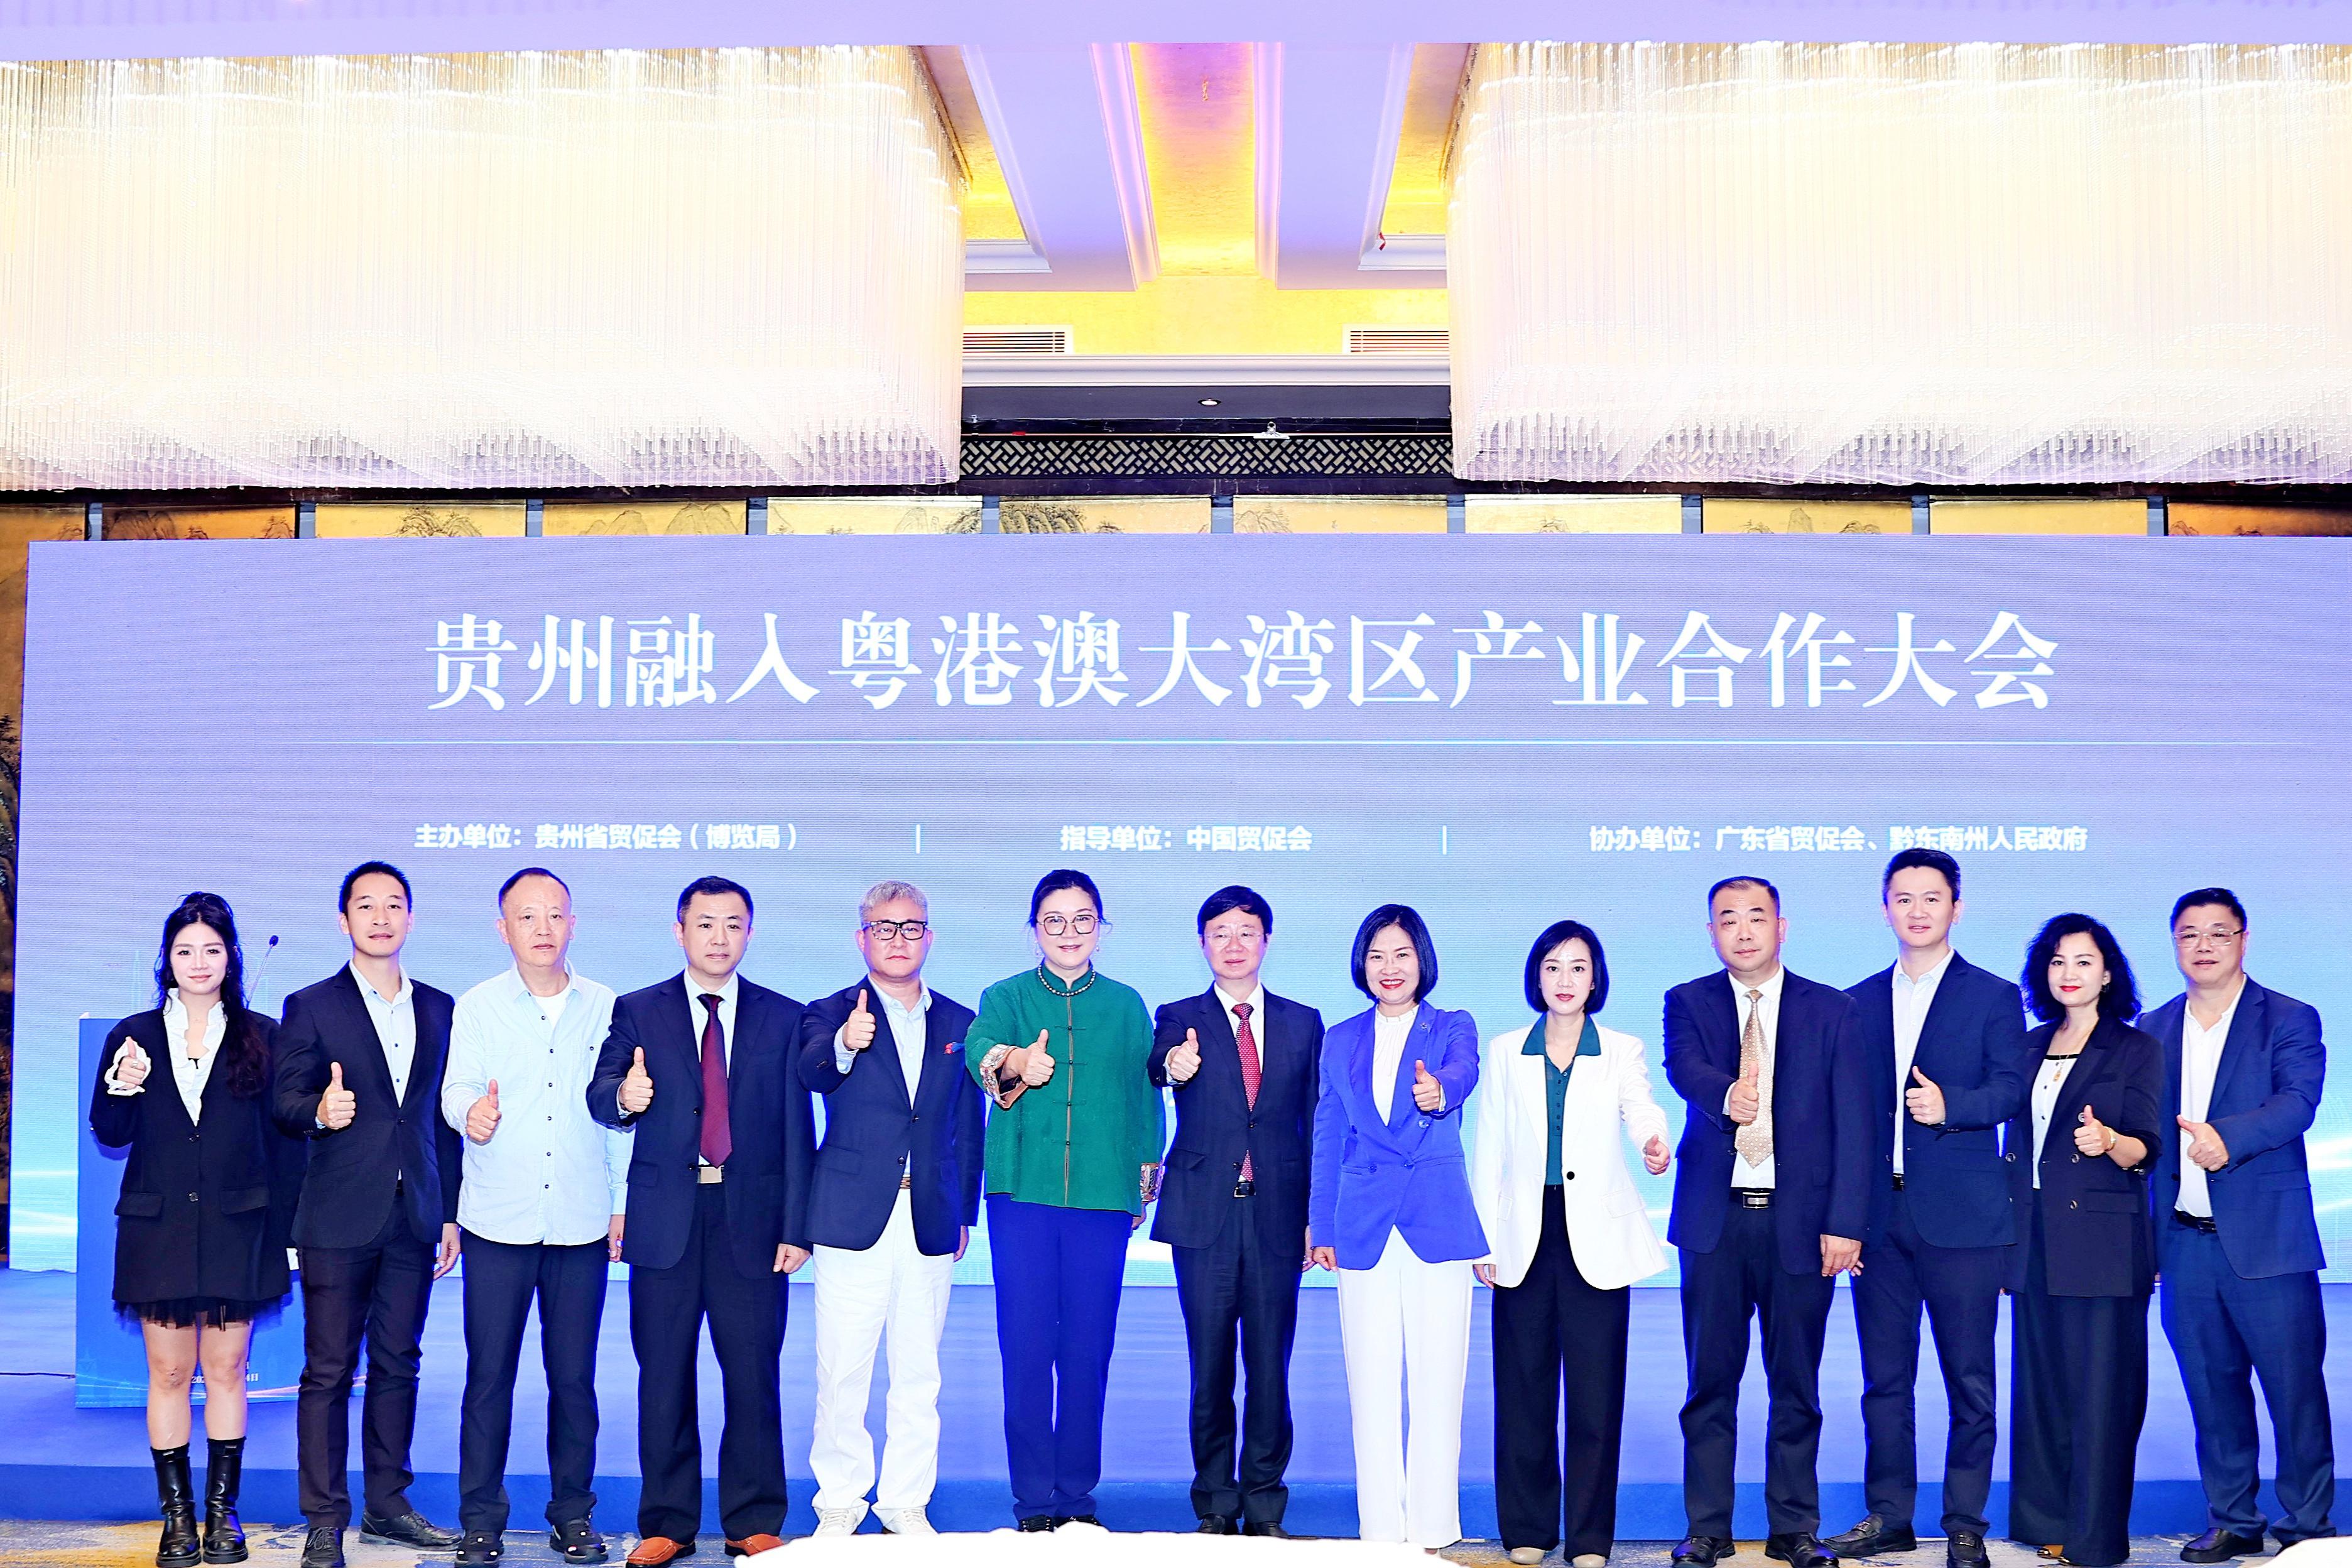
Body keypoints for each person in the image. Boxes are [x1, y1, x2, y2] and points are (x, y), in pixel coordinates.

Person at [587, 876, 812, 1565]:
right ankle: (667, 1522)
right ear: (680, 931)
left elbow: (797, 1129)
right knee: (663, 1375)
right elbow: (600, 1094)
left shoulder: (784, 1016)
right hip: (666, 1222)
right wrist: (624, 1095)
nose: (720, 938)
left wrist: (797, 1226)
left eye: (733, 925)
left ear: (750, 933)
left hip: (754, 1222)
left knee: (753, 1376)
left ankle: (754, 1518)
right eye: (705, 924)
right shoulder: (637, 1010)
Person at [1827, 851, 2031, 1568]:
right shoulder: (1853, 1002)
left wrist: (1953, 1108)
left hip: (1965, 1220)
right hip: (1879, 1221)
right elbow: (1845, 1117)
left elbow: (2011, 1089)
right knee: (1885, 1382)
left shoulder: (1994, 995)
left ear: (1957, 908)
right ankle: (1889, 1516)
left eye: (1932, 898)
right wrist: (1844, 1219)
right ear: (1885, 909)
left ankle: (1966, 1522)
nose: (1918, 910)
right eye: (1904, 898)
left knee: (1970, 1380)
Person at [1663, 876, 1871, 1568]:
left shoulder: (1832, 1010)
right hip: (1715, 1224)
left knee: (1797, 1387)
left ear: (1782, 927)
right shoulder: (1688, 1001)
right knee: (1709, 1386)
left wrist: (1846, 1223)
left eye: (1757, 917)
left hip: (1802, 1226)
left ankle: (1794, 1530)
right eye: (1728, 919)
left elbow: (1855, 1125)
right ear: (1712, 933)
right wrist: (1728, 1094)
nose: (1743, 930)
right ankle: (1707, 1529)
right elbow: (1685, 1068)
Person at [89, 892, 302, 1568]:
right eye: (185, 950)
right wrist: (121, 1086)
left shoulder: (263, 1035)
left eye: (212, 949)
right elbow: (110, 1133)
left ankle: (223, 1514)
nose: (199, 962)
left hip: (241, 1226)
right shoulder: (133, 1035)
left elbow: (284, 1144)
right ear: (168, 959)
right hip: (157, 1228)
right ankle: (177, 1519)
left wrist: (290, 1232)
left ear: (230, 957)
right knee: (170, 1371)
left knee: (228, 1368)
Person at [272, 862, 464, 1568]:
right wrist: (320, 1111)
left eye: (393, 905)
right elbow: (284, 1101)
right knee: (328, 1370)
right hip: (337, 1214)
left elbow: (441, 1120)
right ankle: (325, 1518)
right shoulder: (311, 1005)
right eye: (365, 906)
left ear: (411, 917)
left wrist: (449, 1212)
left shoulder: (440, 1007)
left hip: (415, 1213)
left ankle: (389, 1505)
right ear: (343, 920)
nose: (381, 918)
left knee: (398, 1363)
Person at [964, 869, 1163, 1531]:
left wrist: (1139, 1189)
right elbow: (979, 1050)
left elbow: (1145, 1101)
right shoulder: (1006, 996)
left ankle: (1076, 1499)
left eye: (1083, 920)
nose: (1069, 932)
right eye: (1054, 920)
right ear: (1035, 930)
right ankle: (1033, 1502)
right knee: (1025, 1349)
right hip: (1023, 1195)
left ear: (1101, 929)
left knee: (1087, 1351)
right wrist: (1017, 1062)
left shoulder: (1127, 1005)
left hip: (1102, 1200)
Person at [440, 868, 629, 1568]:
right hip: (498, 1219)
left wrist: (621, 1202)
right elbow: (456, 1087)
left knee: (573, 1381)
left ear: (573, 923)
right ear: (504, 929)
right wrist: (471, 1112)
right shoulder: (478, 1006)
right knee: (489, 1378)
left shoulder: (607, 1006)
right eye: (527, 916)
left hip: (580, 1220)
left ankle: (573, 1515)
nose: (542, 928)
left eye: (555, 915)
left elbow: (619, 1111)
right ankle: (480, 1521)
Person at [2140, 888, 2333, 1561]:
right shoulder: (2153, 1027)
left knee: (2295, 1393)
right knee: (2211, 1391)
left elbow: (2298, 1102)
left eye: (2218, 933)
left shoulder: (2288, 1017)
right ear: (2175, 943)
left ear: (2243, 940)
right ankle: (2233, 1519)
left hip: (2269, 1241)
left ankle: (2308, 1526)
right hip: (2184, 1242)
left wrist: (2228, 1138)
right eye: (2189, 934)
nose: (2204, 946)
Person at [1473, 920, 1670, 1568]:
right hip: (1522, 1235)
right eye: (1553, 967)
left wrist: (1653, 1141)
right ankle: (1528, 1529)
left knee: (1595, 1397)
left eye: (1578, 968)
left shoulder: (1620, 1049)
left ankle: (1589, 1539)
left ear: (1596, 979)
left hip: (1597, 1238)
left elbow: (1640, 1106)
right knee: (1523, 1390)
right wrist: (1483, 1236)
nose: (1565, 979)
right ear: (1537, 976)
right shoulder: (1507, 1050)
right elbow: (1490, 1144)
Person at [797, 879, 983, 1538]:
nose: (898, 939)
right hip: (851, 1215)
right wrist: (846, 1043)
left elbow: (968, 1123)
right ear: (862, 938)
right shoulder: (827, 1012)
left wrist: (965, 1212)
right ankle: (840, 1500)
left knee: (918, 1370)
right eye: (884, 927)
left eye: (910, 928)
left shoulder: (960, 1022)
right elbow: (813, 1073)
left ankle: (906, 1501)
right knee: (843, 1370)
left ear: (929, 938)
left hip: (929, 1214)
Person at [1146, 886, 1325, 1538]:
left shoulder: (1304, 1022)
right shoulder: (1179, 1015)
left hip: (1278, 1215)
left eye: (1246, 931)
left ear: (1266, 942)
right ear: (1203, 944)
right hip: (1204, 1218)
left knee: (1271, 1369)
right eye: (1219, 932)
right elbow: (1160, 1065)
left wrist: (1315, 1215)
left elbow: (1316, 1122)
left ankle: (1267, 1504)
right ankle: (1217, 1503)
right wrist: (1176, 1063)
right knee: (1211, 1367)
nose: (1233, 944)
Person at [1307, 903, 1485, 1550]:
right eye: (1377, 955)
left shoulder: (1452, 1025)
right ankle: (1381, 1528)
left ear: (1422, 961)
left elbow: (1463, 1072)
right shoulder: (1340, 1038)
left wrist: (1441, 1092)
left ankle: (1433, 1526)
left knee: (1440, 1381)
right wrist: (1319, 1223)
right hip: (1361, 1223)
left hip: (1436, 1219)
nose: (1389, 967)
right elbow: (1328, 1133)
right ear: (1362, 964)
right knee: (1371, 1383)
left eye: (1402, 954)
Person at [2003, 914, 2164, 1568]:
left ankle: (2095, 1540)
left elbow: (2148, 1146)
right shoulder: (2027, 1046)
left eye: (2083, 961)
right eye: (2057, 961)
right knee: (2041, 1388)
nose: (2068, 973)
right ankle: (2048, 1522)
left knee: (2102, 1396)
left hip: (2103, 1244)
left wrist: (2109, 1142)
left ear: (2107, 973)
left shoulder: (2135, 1048)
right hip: (2032, 1238)